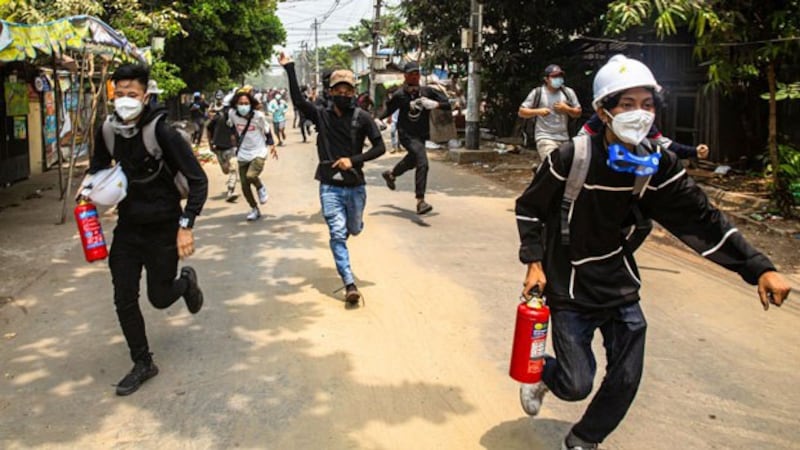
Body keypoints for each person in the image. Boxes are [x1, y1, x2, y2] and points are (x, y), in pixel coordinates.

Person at [514, 54, 791, 449]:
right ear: (603, 111)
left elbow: (703, 217)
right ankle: (545, 374)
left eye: (647, 105)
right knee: (576, 384)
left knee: (626, 377)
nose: (639, 115)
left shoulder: (657, 165)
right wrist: (534, 263)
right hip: (569, 283)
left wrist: (760, 268)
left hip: (617, 280)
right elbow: (530, 208)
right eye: (627, 105)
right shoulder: (571, 157)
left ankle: (583, 440)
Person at [87, 63, 209, 396]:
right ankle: (143, 362)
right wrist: (93, 189)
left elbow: (198, 181)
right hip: (128, 228)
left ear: (145, 95)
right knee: (123, 297)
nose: (125, 100)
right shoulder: (108, 130)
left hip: (163, 226)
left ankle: (185, 283)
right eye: (120, 94)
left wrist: (186, 226)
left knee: (158, 297)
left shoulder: (163, 131)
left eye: (133, 94)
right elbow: (98, 167)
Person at [279, 52, 386, 306]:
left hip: (355, 187)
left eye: (349, 91)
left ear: (354, 92)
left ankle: (353, 229)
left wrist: (354, 160)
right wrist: (290, 68)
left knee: (354, 229)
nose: (344, 95)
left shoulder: (363, 118)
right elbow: (298, 100)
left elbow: (380, 147)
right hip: (330, 187)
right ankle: (349, 283)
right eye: (339, 90)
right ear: (331, 91)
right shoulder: (321, 115)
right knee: (337, 234)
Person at [379, 61, 451, 215]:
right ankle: (420, 201)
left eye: (417, 73)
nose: (414, 76)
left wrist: (435, 104)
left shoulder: (427, 92)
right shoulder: (399, 95)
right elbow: (387, 110)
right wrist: (377, 120)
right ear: (405, 76)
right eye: (411, 73)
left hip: (422, 134)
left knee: (412, 160)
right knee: (422, 162)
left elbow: (448, 104)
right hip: (406, 134)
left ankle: (391, 174)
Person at [228, 88, 279, 221]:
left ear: (251, 104)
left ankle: (260, 187)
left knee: (251, 176)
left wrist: (272, 144)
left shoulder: (258, 116)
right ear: (236, 104)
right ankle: (254, 208)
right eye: (241, 103)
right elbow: (231, 126)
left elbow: (267, 130)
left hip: (258, 151)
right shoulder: (232, 114)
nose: (243, 106)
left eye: (246, 103)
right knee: (244, 185)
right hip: (243, 152)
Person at [518, 64, 582, 163]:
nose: (558, 79)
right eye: (554, 76)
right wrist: (538, 111)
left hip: (564, 137)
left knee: (565, 166)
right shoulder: (537, 93)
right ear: (546, 79)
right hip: (544, 136)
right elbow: (522, 112)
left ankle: (540, 172)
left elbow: (578, 113)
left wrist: (567, 109)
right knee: (553, 162)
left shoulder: (568, 93)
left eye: (560, 76)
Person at [579, 113, 710, 159]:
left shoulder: (643, 121)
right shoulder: (603, 116)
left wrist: (694, 151)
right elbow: (581, 139)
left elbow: (664, 145)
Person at [206, 91, 239, 202]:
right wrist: (210, 144)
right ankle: (231, 183)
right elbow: (208, 129)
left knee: (233, 168)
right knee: (226, 170)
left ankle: (231, 190)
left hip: (231, 147)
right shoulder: (217, 117)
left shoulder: (235, 118)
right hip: (219, 147)